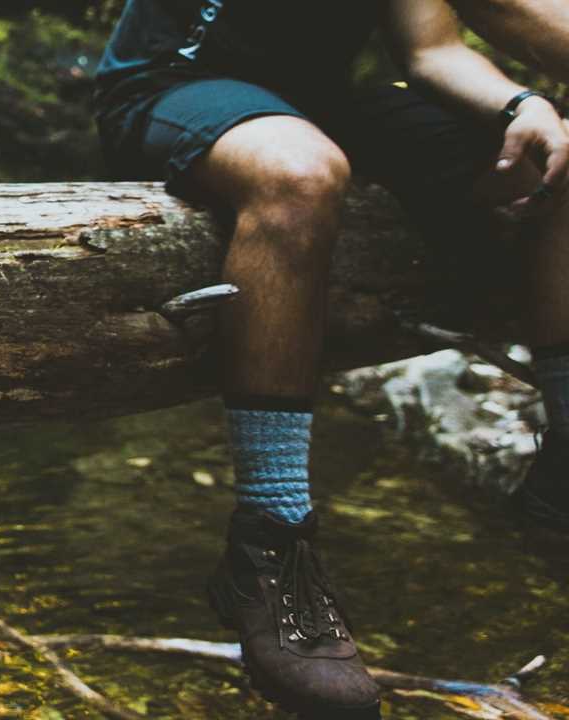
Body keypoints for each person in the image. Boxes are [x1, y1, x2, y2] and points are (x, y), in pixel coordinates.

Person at [94, 1, 569, 716]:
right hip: (175, 87)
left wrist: (520, 103)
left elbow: (432, 51)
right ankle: (269, 542)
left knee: (554, 154)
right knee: (302, 174)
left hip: (317, 103)